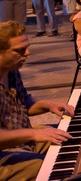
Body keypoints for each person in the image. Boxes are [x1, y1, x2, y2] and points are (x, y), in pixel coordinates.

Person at [0, 21, 74, 180]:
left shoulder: (12, 70)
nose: (27, 53)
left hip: (21, 142)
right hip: (3, 155)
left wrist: (47, 105)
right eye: (19, 50)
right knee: (48, 168)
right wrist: (33, 133)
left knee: (69, 134)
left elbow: (23, 103)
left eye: (27, 47)